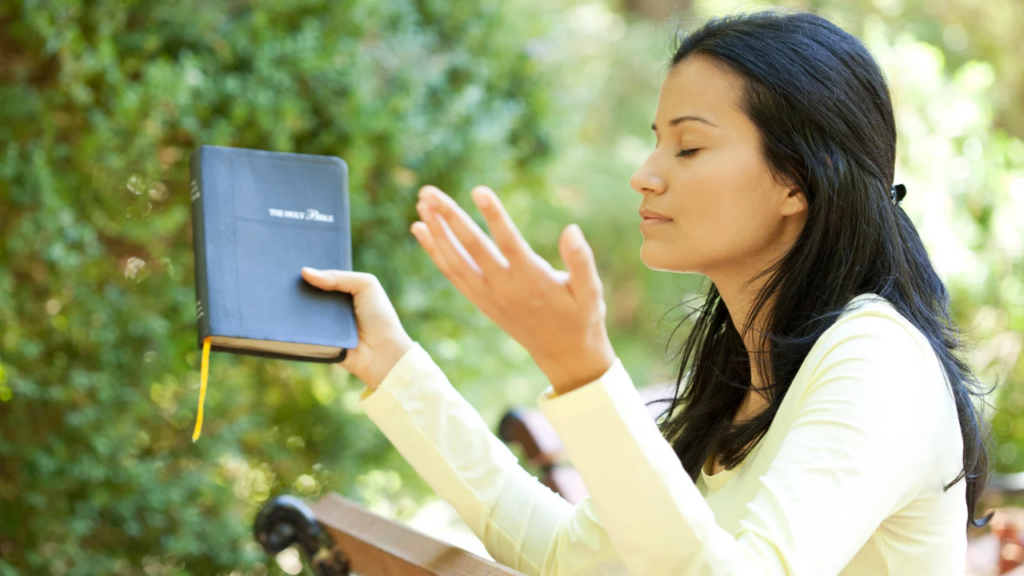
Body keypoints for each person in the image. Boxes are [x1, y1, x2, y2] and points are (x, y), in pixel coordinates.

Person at [300, 8, 993, 576]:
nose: (644, 174)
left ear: (797, 181)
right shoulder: (737, 382)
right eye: (655, 141)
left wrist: (583, 373)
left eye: (687, 148)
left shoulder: (877, 360)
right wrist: (392, 365)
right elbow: (561, 553)